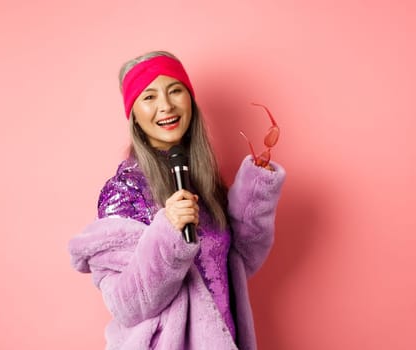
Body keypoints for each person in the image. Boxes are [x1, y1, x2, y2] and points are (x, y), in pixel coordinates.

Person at [68, 51, 286, 349]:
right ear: (134, 114)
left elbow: (236, 263)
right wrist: (168, 231)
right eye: (149, 97)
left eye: (175, 91)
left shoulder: (200, 182)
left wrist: (256, 190)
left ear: (189, 100)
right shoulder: (124, 191)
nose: (166, 106)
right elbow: (126, 304)